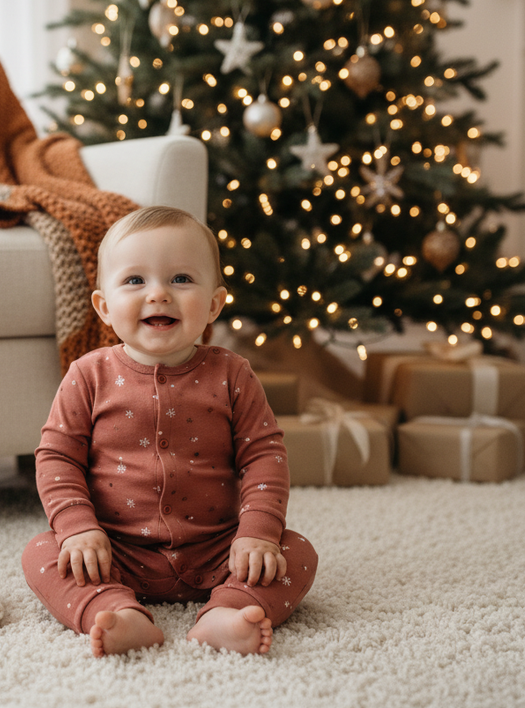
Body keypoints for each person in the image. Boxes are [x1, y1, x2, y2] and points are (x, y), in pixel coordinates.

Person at [22, 205, 317, 657]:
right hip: (115, 551)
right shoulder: (88, 375)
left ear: (215, 303)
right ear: (103, 306)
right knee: (42, 553)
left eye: (181, 279)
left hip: (219, 548)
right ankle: (117, 612)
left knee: (296, 551)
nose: (158, 294)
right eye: (135, 280)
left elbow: (264, 456)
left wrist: (256, 533)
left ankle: (230, 610)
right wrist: (78, 529)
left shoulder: (232, 374)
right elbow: (57, 457)